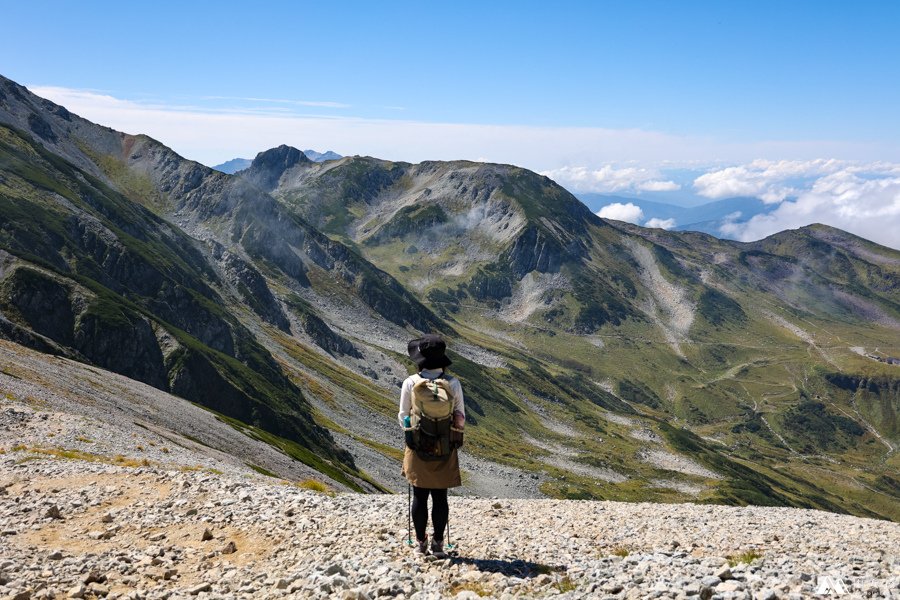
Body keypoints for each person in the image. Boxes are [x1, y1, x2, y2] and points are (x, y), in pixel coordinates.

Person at [398, 334, 465, 557]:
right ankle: (438, 543)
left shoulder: (410, 382)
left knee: (419, 496)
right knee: (440, 497)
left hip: (418, 445)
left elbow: (403, 415)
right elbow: (460, 416)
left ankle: (420, 543)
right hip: (445, 445)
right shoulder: (453, 383)